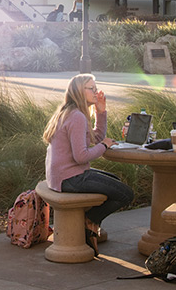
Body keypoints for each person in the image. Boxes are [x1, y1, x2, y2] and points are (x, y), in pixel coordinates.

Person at [43, 74, 133, 256]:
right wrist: (105, 146)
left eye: (95, 87)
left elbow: (95, 138)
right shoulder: (77, 117)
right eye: (91, 88)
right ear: (79, 91)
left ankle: (91, 223)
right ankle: (90, 221)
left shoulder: (71, 112)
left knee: (114, 181)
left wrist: (101, 112)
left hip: (62, 176)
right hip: (70, 178)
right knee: (126, 194)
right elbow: (81, 156)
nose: (96, 91)